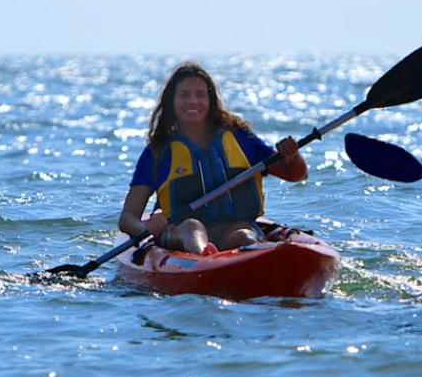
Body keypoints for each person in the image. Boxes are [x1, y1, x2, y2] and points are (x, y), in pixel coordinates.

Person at [118, 62, 307, 254]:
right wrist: (146, 228)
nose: (193, 101)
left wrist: (293, 156)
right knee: (192, 228)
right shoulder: (157, 151)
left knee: (243, 236)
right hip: (179, 234)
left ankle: (257, 255)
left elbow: (295, 175)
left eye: (200, 95)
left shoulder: (239, 136)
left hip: (235, 226)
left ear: (211, 100)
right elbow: (127, 218)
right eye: (184, 95)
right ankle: (205, 257)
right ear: (171, 102)